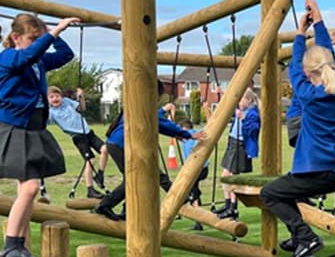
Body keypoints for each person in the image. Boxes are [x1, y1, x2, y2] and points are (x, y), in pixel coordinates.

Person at [260, 0, 335, 257]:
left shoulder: (308, 94)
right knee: (289, 190)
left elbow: (295, 66)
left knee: (270, 193)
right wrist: (318, 19)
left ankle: (305, 237)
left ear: (308, 73)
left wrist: (299, 32)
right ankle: (298, 237)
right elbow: (330, 58)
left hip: (319, 173)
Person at [0, 13, 79, 257]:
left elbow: (65, 56)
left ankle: (18, 244)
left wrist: (54, 34)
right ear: (16, 37)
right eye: (32, 38)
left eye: (38, 39)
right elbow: (27, 55)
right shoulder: (9, 57)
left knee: (26, 189)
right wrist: (52, 33)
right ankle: (11, 244)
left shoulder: (37, 60)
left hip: (33, 128)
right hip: (14, 127)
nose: (36, 43)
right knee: (31, 187)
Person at [94, 79, 206, 221]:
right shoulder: (144, 106)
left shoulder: (136, 103)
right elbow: (161, 123)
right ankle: (105, 205)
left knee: (138, 177)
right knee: (137, 178)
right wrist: (187, 134)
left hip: (117, 144)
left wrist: (174, 129)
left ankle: (126, 210)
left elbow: (156, 121)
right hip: (122, 145)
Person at [47, 85, 108, 198]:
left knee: (105, 149)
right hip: (78, 137)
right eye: (51, 97)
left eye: (57, 96)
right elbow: (43, 122)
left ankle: (100, 174)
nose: (55, 99)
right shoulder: (51, 113)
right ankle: (90, 189)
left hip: (88, 132)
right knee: (90, 161)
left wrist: (81, 96)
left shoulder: (66, 102)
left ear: (61, 96)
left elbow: (81, 108)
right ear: (48, 100)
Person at [215, 87, 260, 219]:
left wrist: (244, 118)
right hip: (232, 142)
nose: (239, 102)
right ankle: (227, 203)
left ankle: (233, 207)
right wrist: (222, 94)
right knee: (225, 175)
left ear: (249, 100)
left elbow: (254, 130)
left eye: (241, 99)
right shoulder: (241, 109)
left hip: (240, 146)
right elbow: (230, 104)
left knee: (232, 177)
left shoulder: (252, 113)